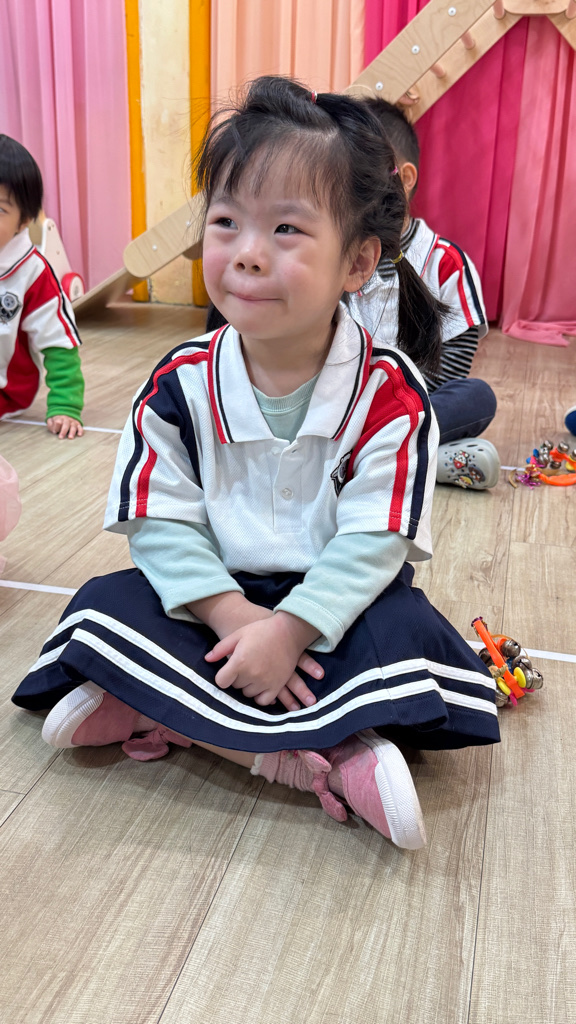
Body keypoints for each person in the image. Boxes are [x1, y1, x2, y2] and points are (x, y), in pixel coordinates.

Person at [12, 77, 499, 850]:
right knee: (103, 607)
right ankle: (313, 755)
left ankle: (172, 710)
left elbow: (377, 538)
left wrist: (292, 630)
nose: (245, 253)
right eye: (226, 222)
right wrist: (234, 616)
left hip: (335, 610)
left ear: (357, 261)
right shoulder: (179, 381)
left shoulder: (392, 390)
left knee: (407, 636)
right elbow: (157, 518)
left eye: (285, 229)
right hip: (212, 604)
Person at [346, 97, 499, 490]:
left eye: (360, 173)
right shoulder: (337, 259)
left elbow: (453, 367)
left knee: (477, 397)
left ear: (405, 177)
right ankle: (419, 459)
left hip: (409, 408)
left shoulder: (446, 263)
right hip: (344, 406)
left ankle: (372, 455)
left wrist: (394, 407)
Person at [0, 135, 84, 439]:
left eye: (0, 210)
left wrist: (65, 404)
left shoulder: (33, 273)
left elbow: (58, 342)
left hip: (6, 392)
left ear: (24, 221)